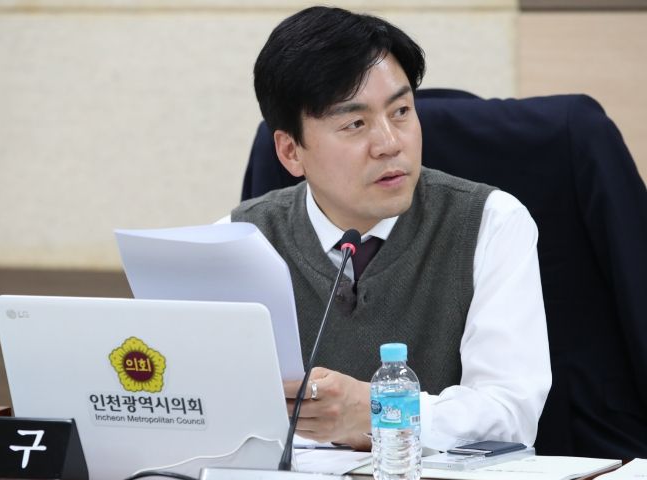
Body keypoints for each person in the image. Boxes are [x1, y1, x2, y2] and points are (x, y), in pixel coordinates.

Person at [230, 6, 551, 451]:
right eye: (355, 123)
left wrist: (376, 411)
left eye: (401, 111)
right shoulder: (239, 243)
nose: (389, 143)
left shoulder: (492, 224)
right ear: (290, 152)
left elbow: (510, 416)